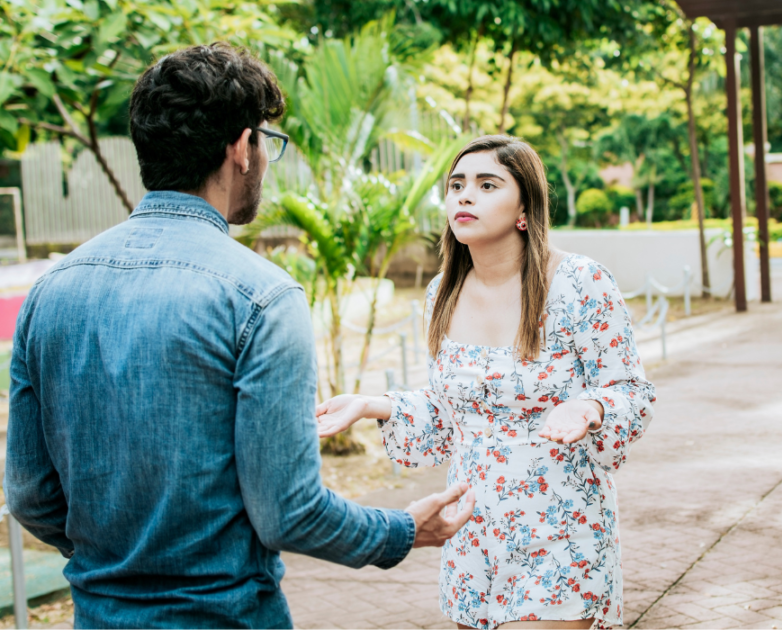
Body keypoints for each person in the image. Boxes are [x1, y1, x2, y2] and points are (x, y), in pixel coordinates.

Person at [4, 43, 474, 629]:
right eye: (266, 142)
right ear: (241, 149)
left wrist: (116, 565)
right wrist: (403, 530)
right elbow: (289, 512)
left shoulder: (50, 292)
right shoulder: (262, 296)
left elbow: (28, 496)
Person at [316, 136, 656, 629]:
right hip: (471, 528)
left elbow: (630, 390)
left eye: (487, 184)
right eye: (456, 185)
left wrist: (590, 409)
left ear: (525, 208)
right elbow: (449, 413)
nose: (464, 196)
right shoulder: (443, 293)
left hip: (561, 524)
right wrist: (374, 405)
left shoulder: (580, 282)